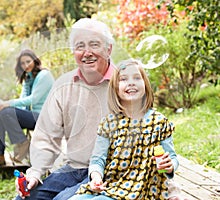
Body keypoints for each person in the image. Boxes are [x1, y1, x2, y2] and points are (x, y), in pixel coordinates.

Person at [15, 18, 115, 200]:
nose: (87, 53)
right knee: (27, 198)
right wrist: (36, 171)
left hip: (111, 172)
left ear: (108, 49)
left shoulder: (124, 84)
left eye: (94, 44)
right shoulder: (64, 85)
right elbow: (46, 135)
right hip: (74, 168)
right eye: (80, 46)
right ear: (73, 52)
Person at [69, 59, 179, 200]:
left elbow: (172, 158)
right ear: (115, 88)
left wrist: (169, 166)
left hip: (144, 190)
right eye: (124, 79)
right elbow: (98, 159)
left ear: (145, 84)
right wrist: (96, 177)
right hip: (113, 185)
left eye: (137, 78)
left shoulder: (159, 122)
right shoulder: (109, 123)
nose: (131, 82)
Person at [0, 49, 55, 167]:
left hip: (46, 118)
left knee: (6, 111)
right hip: (34, 116)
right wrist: (0, 111)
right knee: (0, 116)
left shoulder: (44, 75)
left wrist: (8, 104)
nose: (26, 65)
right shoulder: (29, 77)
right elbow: (22, 102)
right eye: (22, 63)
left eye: (28, 61)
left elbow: (34, 99)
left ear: (35, 60)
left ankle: (21, 142)